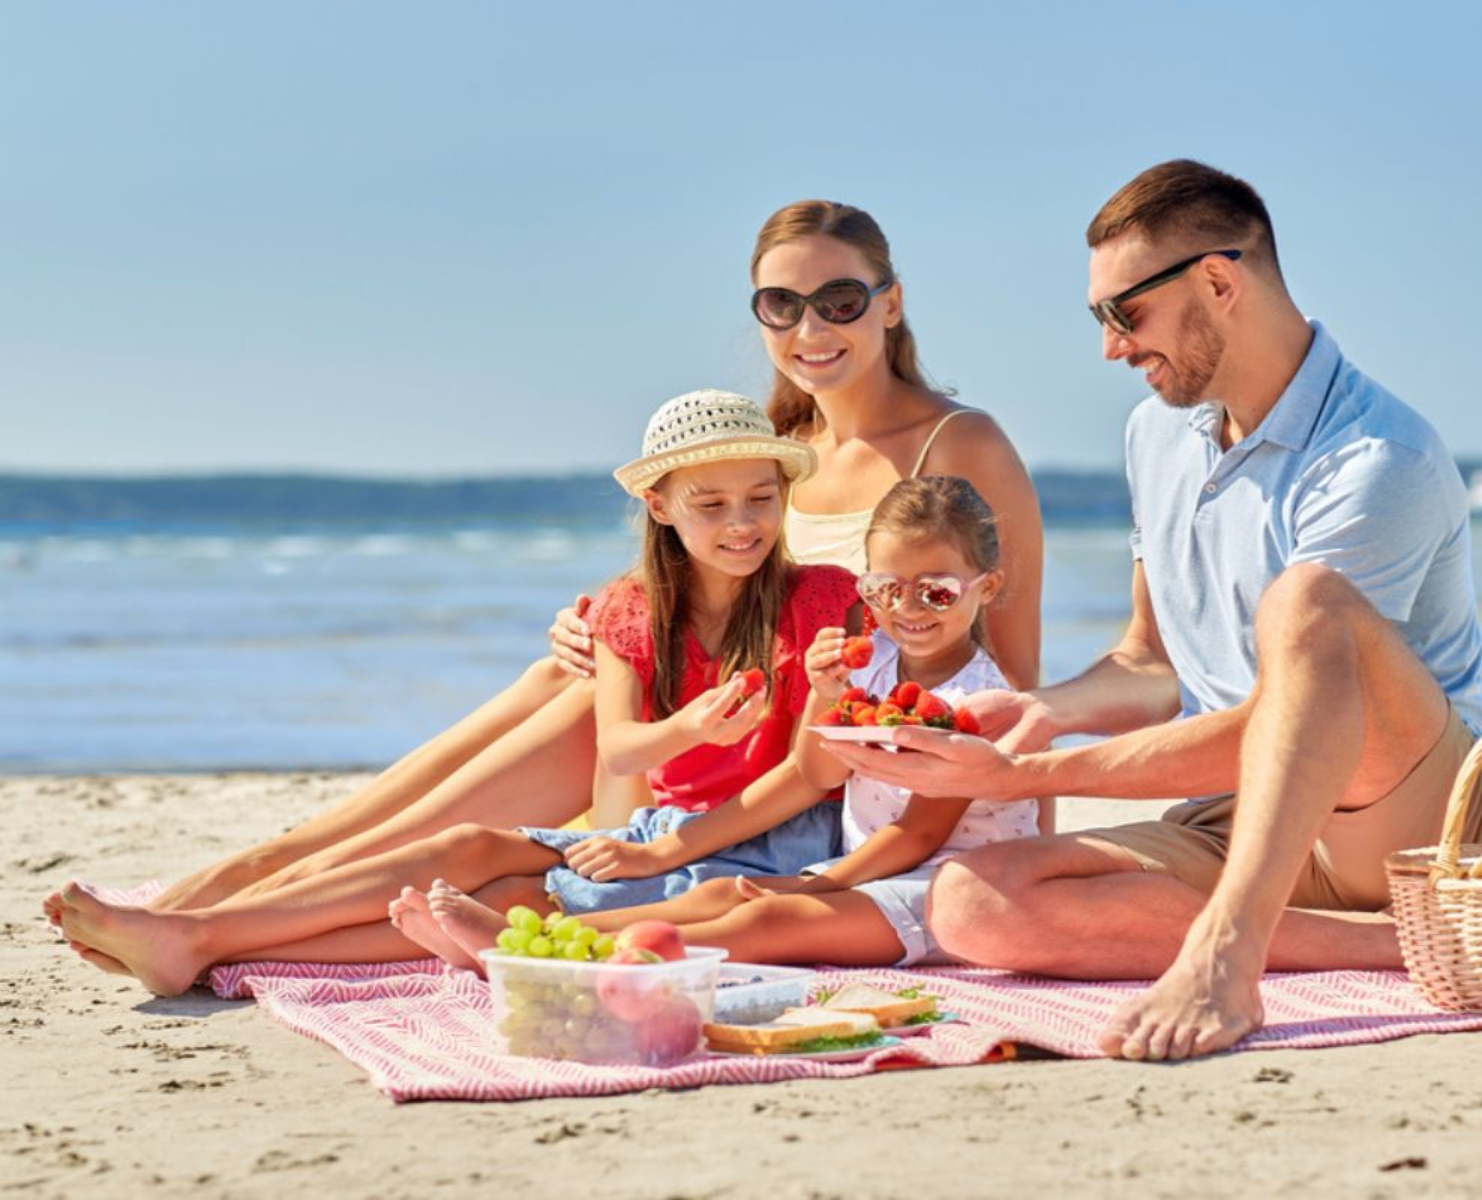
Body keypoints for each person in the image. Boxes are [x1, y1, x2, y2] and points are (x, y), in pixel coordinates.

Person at [94, 199, 1043, 921]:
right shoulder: (782, 437)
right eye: (780, 303)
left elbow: (1008, 675)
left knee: (531, 758)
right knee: (567, 661)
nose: (811, 327)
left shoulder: (958, 445)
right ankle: (268, 868)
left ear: (891, 302)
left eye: (839, 299)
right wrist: (601, 620)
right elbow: (705, 566)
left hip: (793, 746)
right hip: (729, 712)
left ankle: (264, 889)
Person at [825, 159, 1482, 1061]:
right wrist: (1036, 719)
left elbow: (1302, 723)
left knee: (1304, 604)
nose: (1111, 346)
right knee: (967, 900)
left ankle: (1229, 950)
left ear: (1219, 282)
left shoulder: (1377, 460)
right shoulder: (1156, 434)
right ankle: (1385, 945)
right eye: (1099, 318)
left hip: (1403, 819)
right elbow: (1152, 663)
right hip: (1237, 817)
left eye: (1125, 313)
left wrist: (1024, 781)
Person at [47, 390, 863, 995]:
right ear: (659, 505)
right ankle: (197, 934)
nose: (742, 523)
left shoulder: (820, 598)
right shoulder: (628, 608)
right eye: (711, 504)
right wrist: (684, 731)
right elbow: (617, 749)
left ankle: (208, 943)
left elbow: (810, 778)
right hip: (663, 827)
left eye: (761, 498)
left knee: (509, 895)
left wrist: (667, 846)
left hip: (761, 841)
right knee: (465, 847)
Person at [403, 475, 1037, 969]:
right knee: (722, 894)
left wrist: (807, 883)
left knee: (760, 925)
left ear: (987, 587)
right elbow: (814, 770)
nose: (908, 609)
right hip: (868, 868)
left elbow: (918, 838)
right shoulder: (875, 664)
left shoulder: (981, 701)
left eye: (937, 592)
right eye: (884, 589)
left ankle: (526, 949)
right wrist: (825, 691)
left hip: (949, 890)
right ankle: (535, 946)